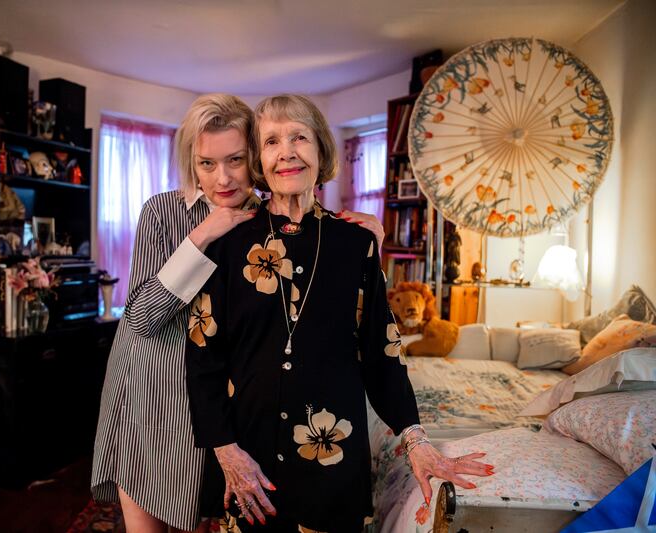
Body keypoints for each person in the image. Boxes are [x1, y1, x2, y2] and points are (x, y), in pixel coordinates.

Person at [185, 94, 492, 532]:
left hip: (331, 462)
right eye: (271, 141)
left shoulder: (356, 243)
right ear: (259, 159)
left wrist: (417, 440)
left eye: (299, 137)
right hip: (248, 465)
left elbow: (382, 356)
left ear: (321, 150)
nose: (287, 151)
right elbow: (203, 359)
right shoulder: (228, 245)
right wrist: (225, 450)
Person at [91, 93, 384, 533]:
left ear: (256, 158)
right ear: (191, 161)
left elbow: (320, 313)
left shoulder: (268, 221)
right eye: (206, 163)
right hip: (151, 390)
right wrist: (204, 235)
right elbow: (142, 317)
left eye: (235, 159)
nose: (222, 177)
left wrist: (365, 243)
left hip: (213, 401)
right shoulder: (163, 212)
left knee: (199, 514)